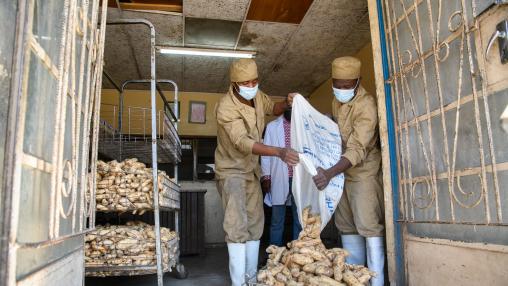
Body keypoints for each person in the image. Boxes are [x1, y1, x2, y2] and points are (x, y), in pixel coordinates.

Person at [215, 58, 300, 286]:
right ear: (234, 83)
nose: (251, 85)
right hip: (231, 171)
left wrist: (287, 102)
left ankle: (251, 279)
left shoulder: (256, 95)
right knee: (236, 225)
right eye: (246, 82)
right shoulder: (226, 107)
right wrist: (278, 152)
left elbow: (273, 107)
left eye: (255, 81)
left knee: (255, 224)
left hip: (252, 169)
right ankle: (238, 282)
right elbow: (242, 142)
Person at [312, 56, 385, 286]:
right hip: (342, 172)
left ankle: (377, 281)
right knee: (347, 226)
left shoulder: (367, 105)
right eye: (337, 85)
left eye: (347, 86)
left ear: (358, 81)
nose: (341, 90)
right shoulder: (337, 100)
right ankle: (357, 281)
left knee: (368, 225)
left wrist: (330, 173)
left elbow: (357, 149)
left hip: (363, 172)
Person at [260, 108, 302, 247]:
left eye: (294, 106)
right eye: (289, 107)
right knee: (277, 218)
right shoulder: (272, 126)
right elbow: (265, 153)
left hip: (299, 179)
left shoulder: (303, 125)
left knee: (299, 218)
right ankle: (274, 252)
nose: (291, 109)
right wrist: (266, 176)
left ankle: (297, 251)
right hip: (278, 176)